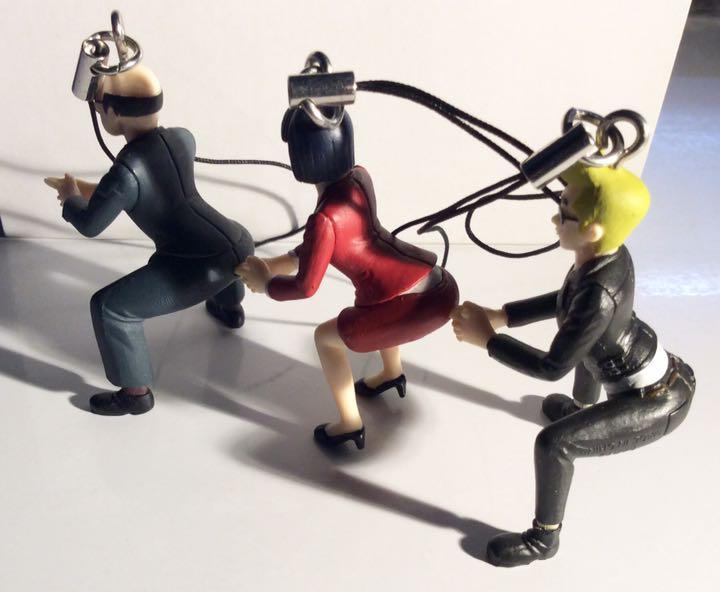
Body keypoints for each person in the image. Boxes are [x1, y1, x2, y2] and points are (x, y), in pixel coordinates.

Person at [451, 163, 695, 567]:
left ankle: (543, 539)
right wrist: (504, 315)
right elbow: (565, 299)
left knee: (554, 444)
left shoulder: (599, 294)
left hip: (654, 401)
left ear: (593, 229)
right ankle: (582, 409)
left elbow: (552, 367)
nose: (555, 219)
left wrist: (488, 340)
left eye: (564, 212)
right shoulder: (604, 256)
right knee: (585, 344)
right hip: (636, 362)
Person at [237, 106, 459, 449]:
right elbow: (316, 248)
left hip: (417, 307)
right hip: (440, 285)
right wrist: (272, 265)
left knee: (326, 339)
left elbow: (306, 287)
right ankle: (391, 373)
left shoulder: (325, 218)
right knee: (380, 309)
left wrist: (266, 285)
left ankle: (349, 424)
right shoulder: (359, 178)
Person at [44, 64, 254, 415]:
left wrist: (69, 200)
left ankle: (135, 393)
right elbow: (139, 189)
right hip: (237, 244)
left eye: (101, 107)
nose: (100, 112)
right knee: (225, 253)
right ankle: (229, 308)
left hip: (195, 264)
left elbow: (91, 223)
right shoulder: (182, 138)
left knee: (109, 308)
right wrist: (87, 191)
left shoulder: (126, 172)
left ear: (114, 113)